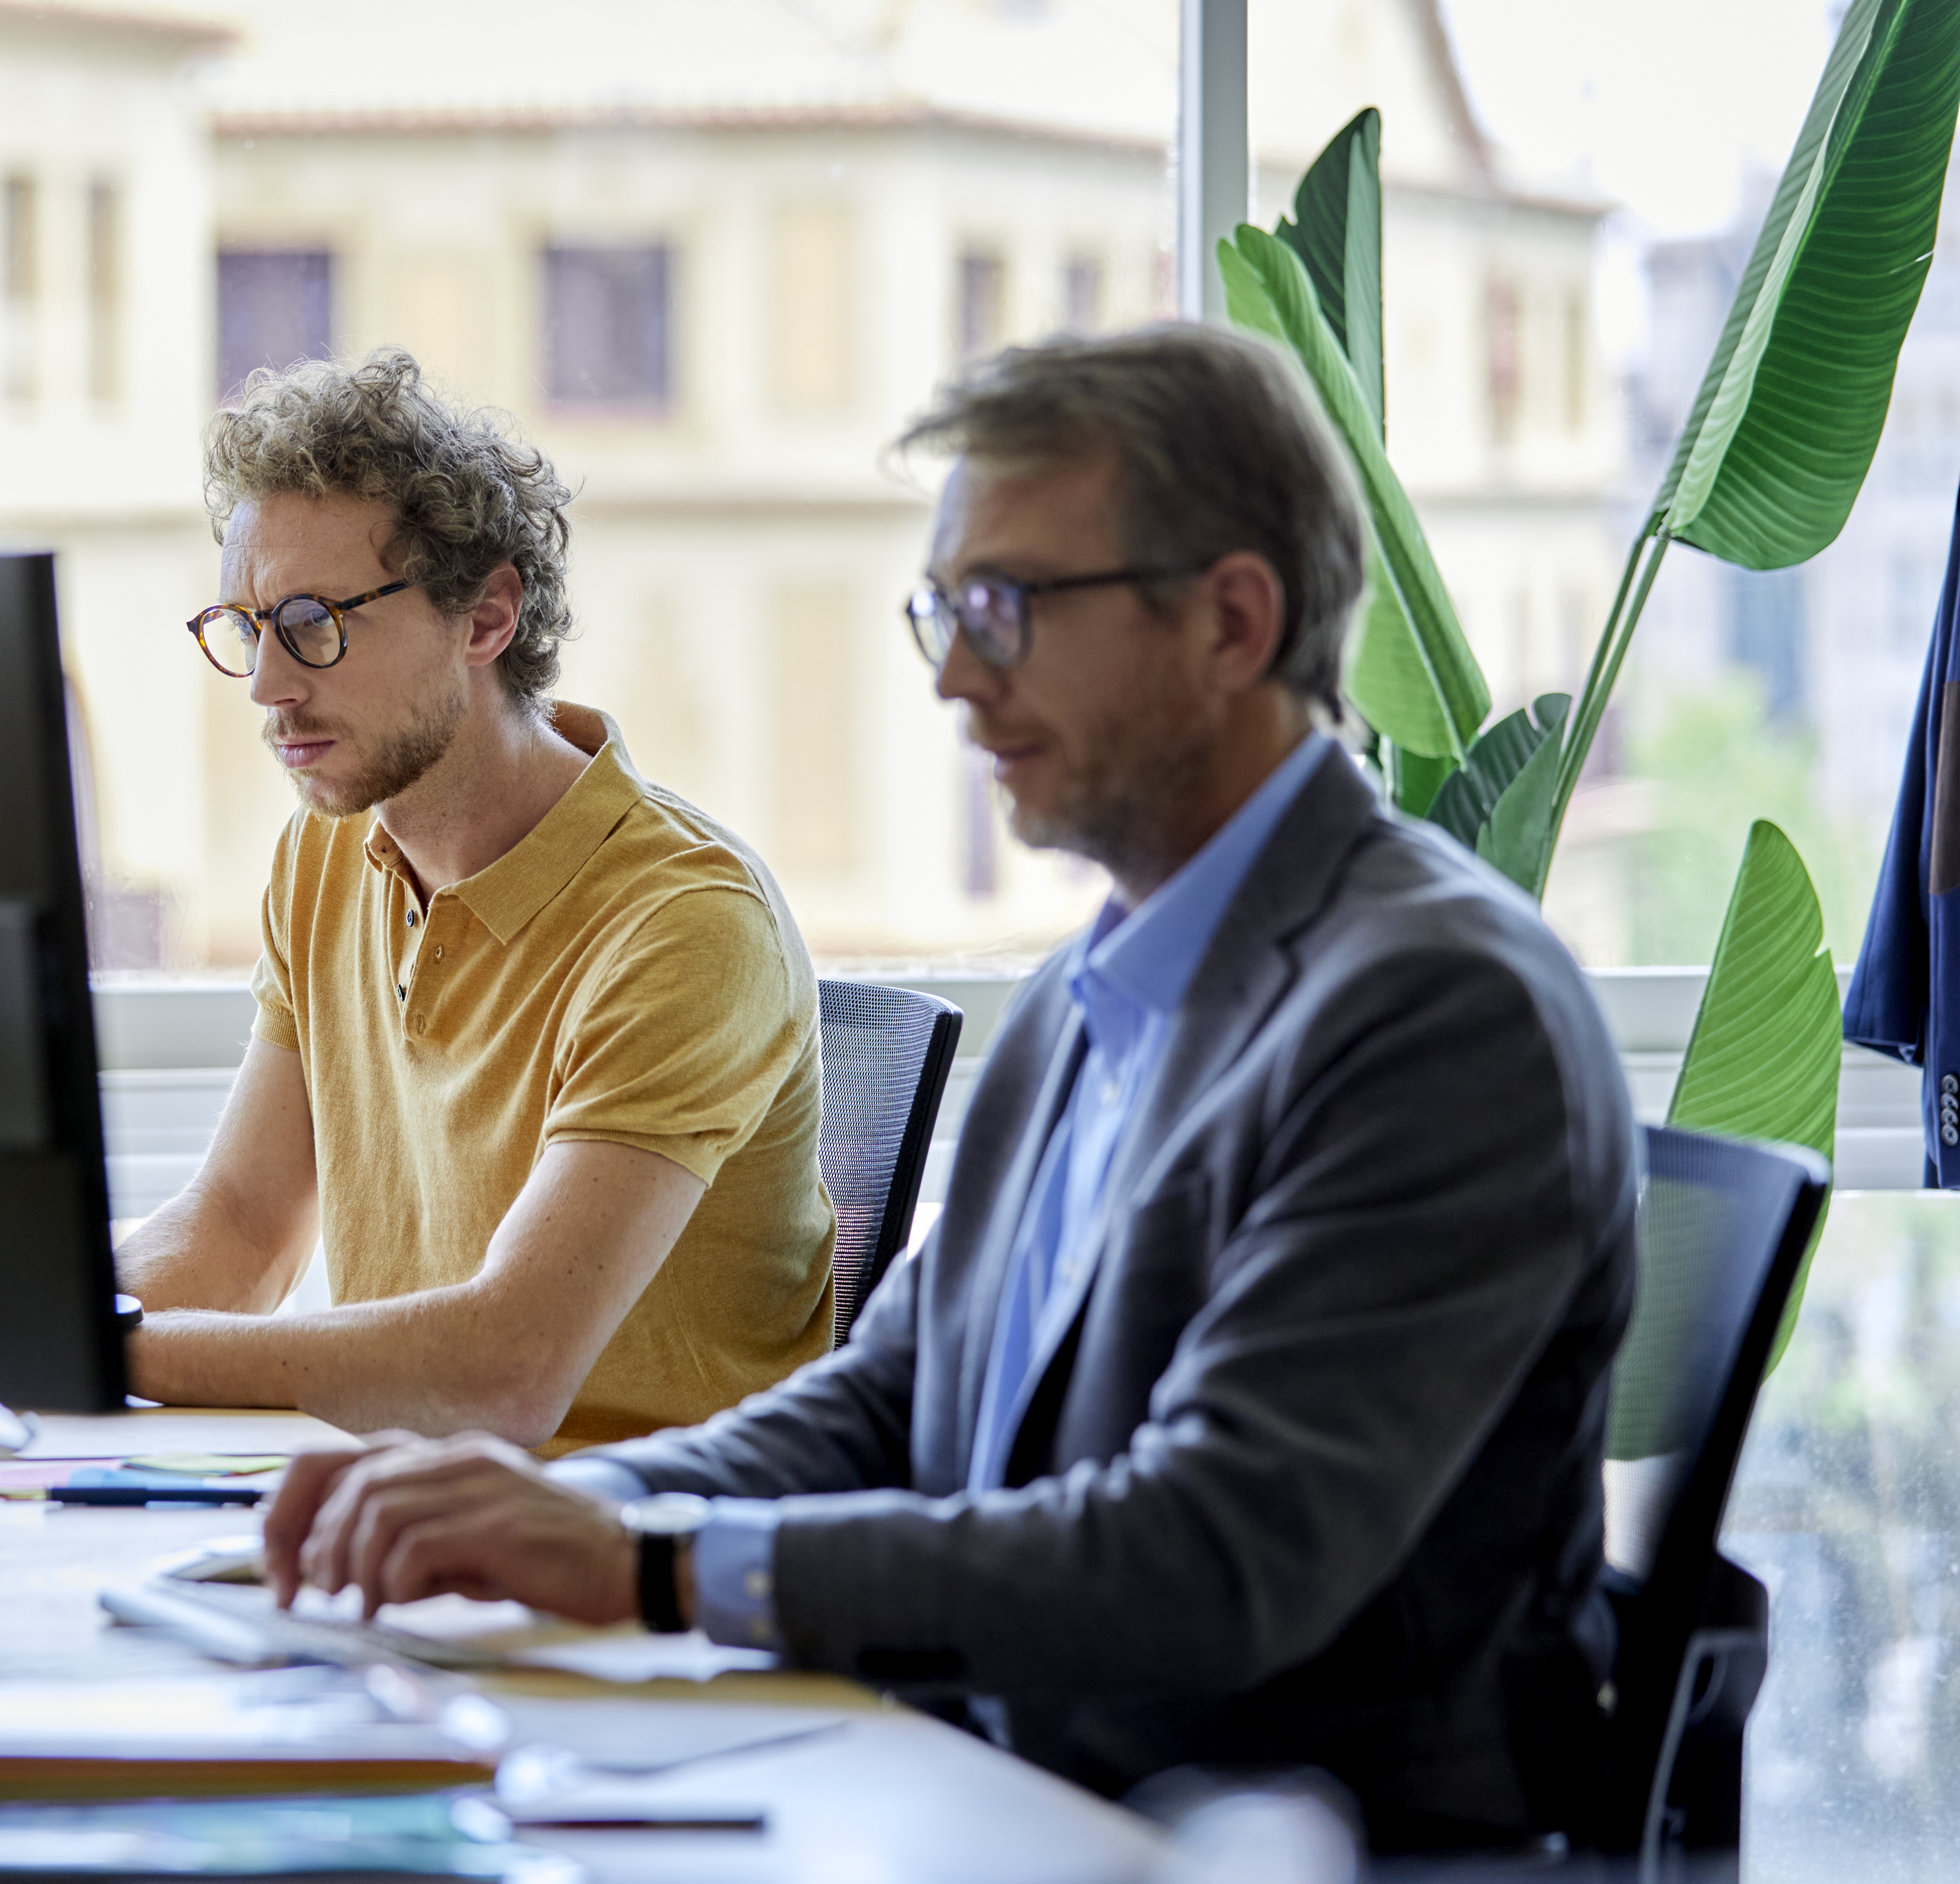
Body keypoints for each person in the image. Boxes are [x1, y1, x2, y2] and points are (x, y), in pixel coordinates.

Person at [258, 325, 1638, 1851]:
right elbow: (890, 1402)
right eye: (946, 610)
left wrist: (653, 1573)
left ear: (1233, 622)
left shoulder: (1437, 1012)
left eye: (1010, 607)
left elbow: (1207, 1561)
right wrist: (575, 1515)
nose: (959, 679)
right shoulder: (1085, 995)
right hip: (1003, 1785)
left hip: (1265, 1838)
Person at [119, 349, 835, 1453]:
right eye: (245, 626)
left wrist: (114, 1345)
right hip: (404, 1523)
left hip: (620, 1567)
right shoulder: (323, 855)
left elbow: (506, 1371)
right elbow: (244, 1228)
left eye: (314, 620)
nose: (267, 683)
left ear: (487, 616)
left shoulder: (685, 923)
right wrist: (17, 1311)